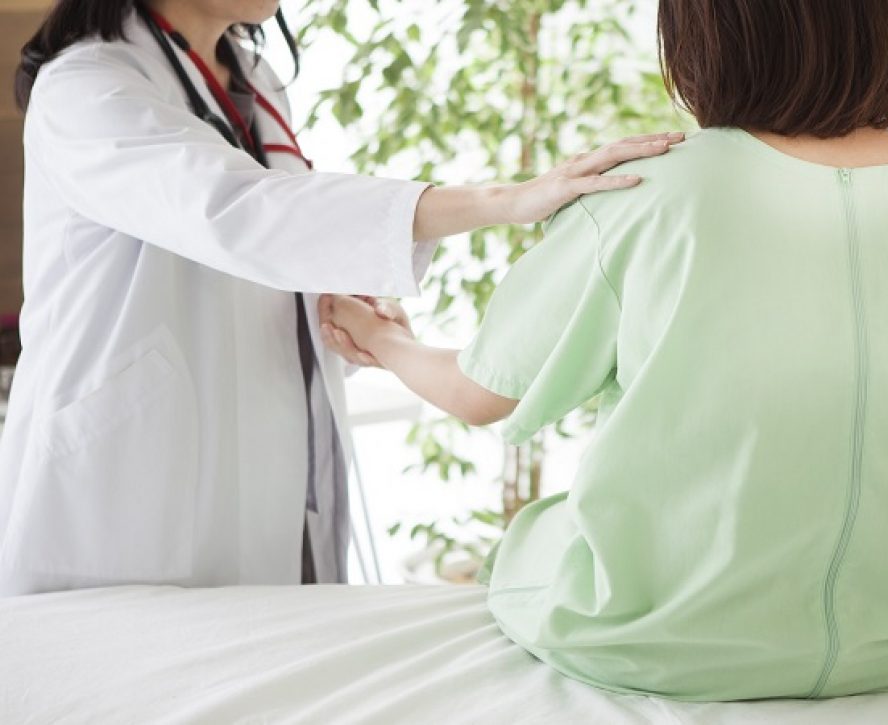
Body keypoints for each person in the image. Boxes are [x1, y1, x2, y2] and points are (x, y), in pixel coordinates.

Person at [322, 0, 888, 702]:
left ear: (703, 38)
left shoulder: (643, 193)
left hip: (663, 641)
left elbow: (482, 393)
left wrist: (385, 340)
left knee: (535, 544)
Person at [0, 0, 682, 597]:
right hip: (119, 493)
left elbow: (272, 241)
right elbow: (235, 209)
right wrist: (505, 200)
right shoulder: (87, 90)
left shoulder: (252, 80)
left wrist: (341, 299)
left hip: (259, 454)